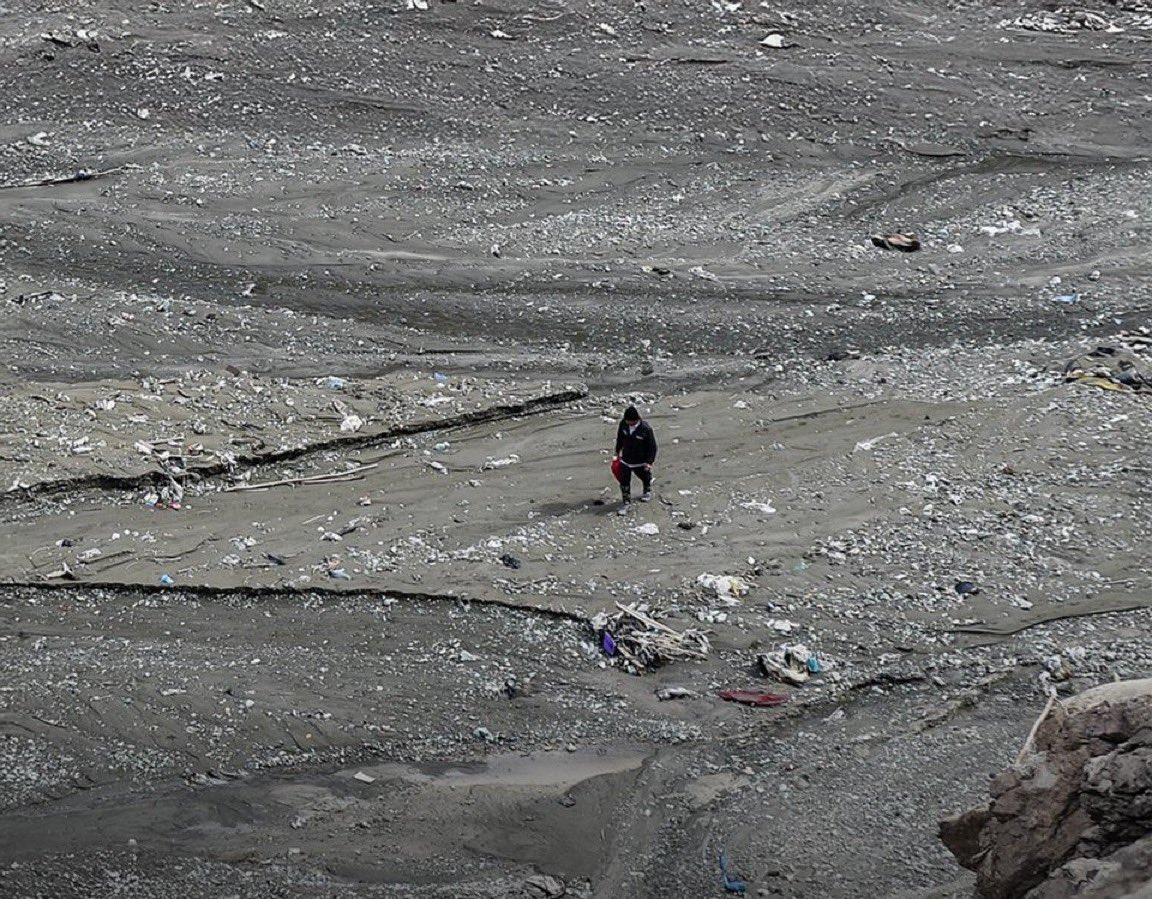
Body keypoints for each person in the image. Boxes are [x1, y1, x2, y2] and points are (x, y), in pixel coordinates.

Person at [614, 405, 657, 509]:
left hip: (640, 460)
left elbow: (652, 446)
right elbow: (620, 438)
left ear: (636, 419)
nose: (629, 423)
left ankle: (647, 490)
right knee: (624, 481)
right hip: (626, 459)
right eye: (627, 421)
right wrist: (617, 451)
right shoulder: (623, 424)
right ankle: (626, 501)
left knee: (644, 477)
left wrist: (649, 462)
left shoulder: (645, 429)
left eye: (631, 421)